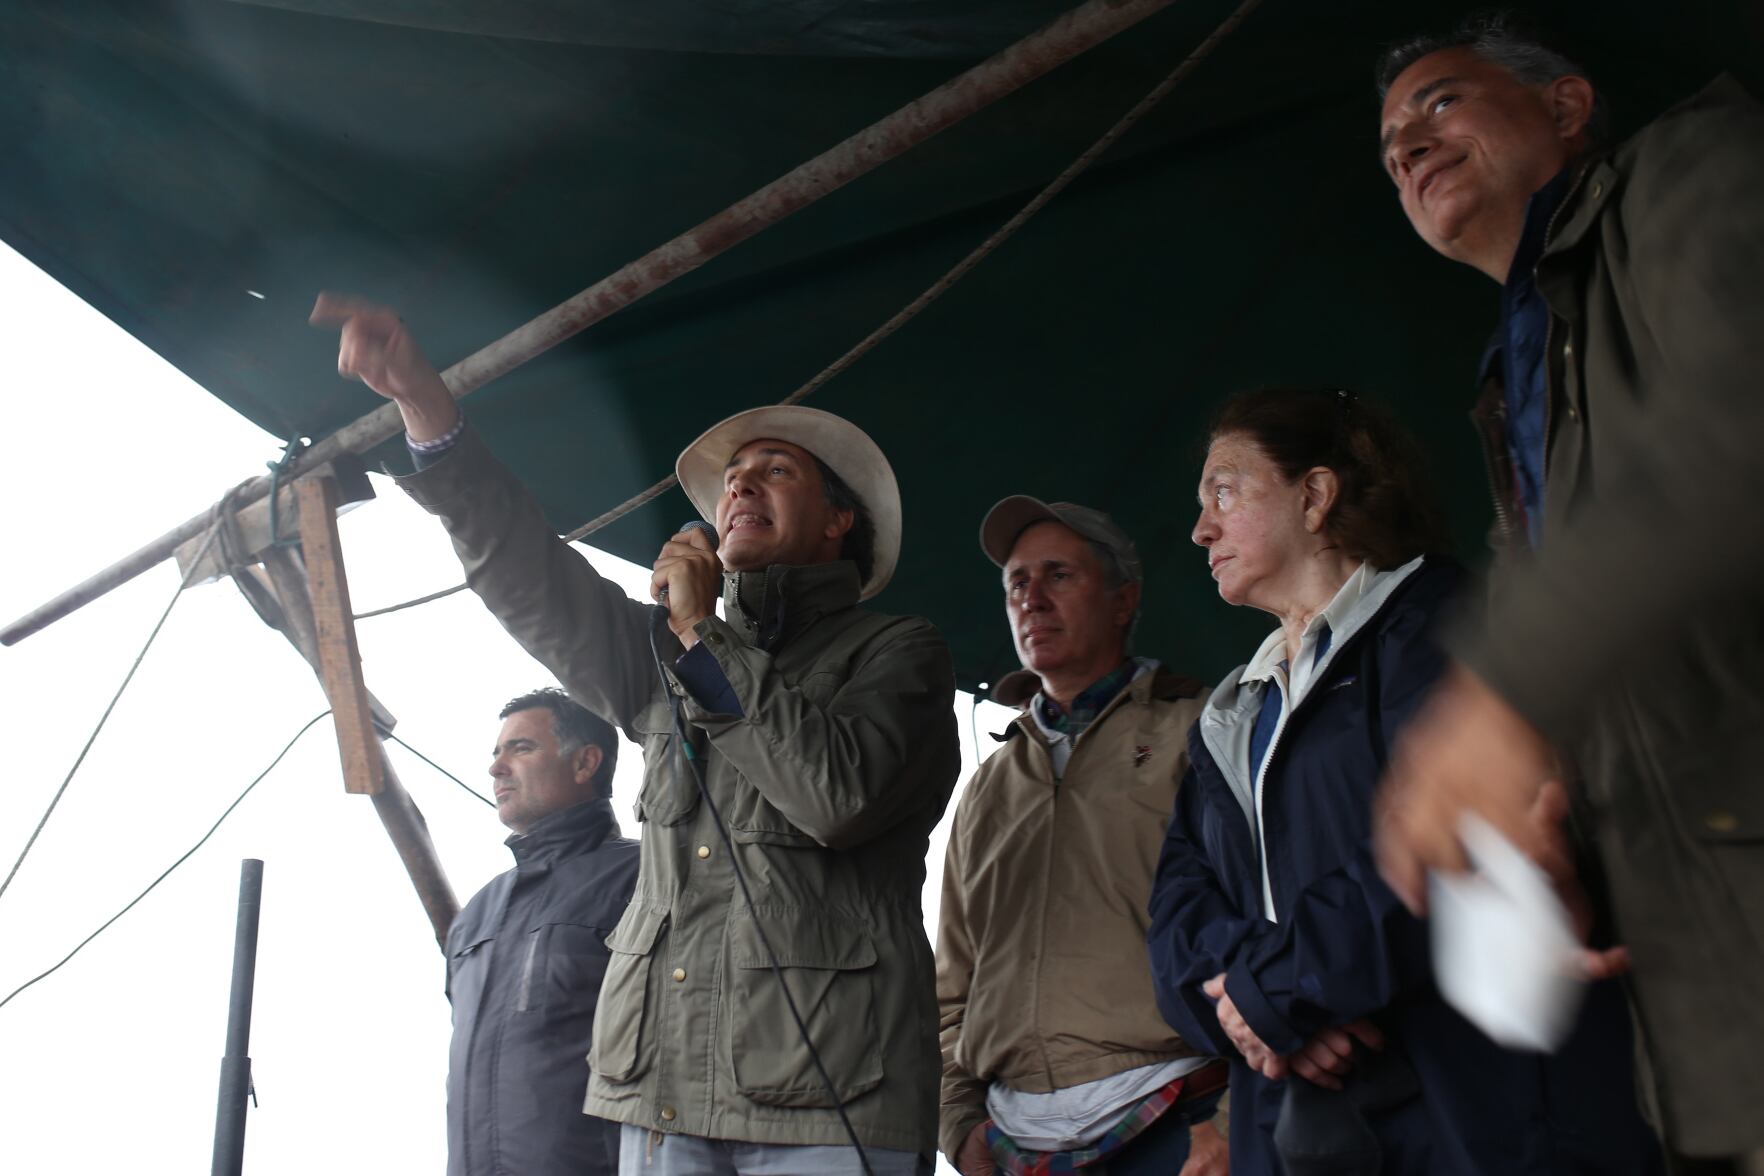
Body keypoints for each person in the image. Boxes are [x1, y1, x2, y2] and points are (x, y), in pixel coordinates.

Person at [314, 295, 962, 1175]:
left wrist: (700, 633)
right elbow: (526, 571)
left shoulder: (897, 651)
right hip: (660, 1097)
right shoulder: (658, 655)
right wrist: (426, 408)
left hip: (831, 1098)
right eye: (734, 476)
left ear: (839, 520)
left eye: (775, 471)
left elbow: (838, 798)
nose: (741, 485)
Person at [1368, 15, 1764, 1166]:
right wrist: (1560, 842)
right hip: (1709, 1008)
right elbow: (1646, 659)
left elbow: (1737, 417)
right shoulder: (1521, 369)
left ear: (1566, 105)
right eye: (1389, 148)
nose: (1406, 147)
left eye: (1440, 102)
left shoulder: (1694, 167)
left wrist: (1504, 694)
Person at [1146, 387, 1662, 1175]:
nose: (1200, 529)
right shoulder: (1230, 713)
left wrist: (1274, 993)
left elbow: (1453, 837)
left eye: (1224, 492)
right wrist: (1261, 1003)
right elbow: (1174, 927)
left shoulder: (1442, 626)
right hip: (1293, 1127)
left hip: (1475, 1115)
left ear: (1315, 496)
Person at [935, 497, 1229, 1176]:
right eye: (1017, 583)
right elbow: (950, 984)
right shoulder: (988, 784)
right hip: (1014, 1138)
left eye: (1059, 575)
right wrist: (959, 1125)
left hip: (1180, 1118)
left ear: (1124, 600)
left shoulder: (1201, 729)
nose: (1032, 599)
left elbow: (1263, 925)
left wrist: (1238, 1117)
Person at [446, 688, 640, 1176]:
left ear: (585, 763)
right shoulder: (476, 914)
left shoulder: (646, 879)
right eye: (497, 752)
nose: (497, 768)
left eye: (521, 748)